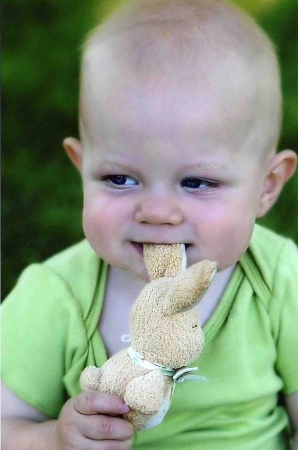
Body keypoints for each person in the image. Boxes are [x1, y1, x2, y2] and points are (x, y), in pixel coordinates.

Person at [2, 0, 298, 448]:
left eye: (197, 182)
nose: (156, 213)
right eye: (119, 178)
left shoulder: (279, 279)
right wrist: (53, 440)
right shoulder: (55, 295)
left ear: (266, 186)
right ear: (81, 168)